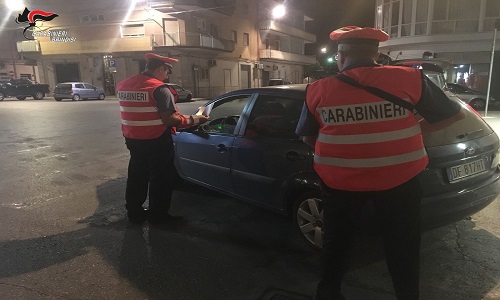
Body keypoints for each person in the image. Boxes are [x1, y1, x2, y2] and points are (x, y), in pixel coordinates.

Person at [295, 26, 465, 300]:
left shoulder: (318, 89)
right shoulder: (410, 78)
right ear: (376, 53)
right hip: (400, 181)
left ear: (341, 55)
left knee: (336, 244)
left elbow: (306, 137)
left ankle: (328, 294)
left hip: (340, 184)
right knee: (403, 245)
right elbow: (453, 115)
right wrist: (408, 133)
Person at [116, 53, 209, 226]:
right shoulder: (160, 89)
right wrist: (197, 119)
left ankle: (134, 212)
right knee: (161, 178)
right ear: (160, 68)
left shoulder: (123, 85)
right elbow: (170, 119)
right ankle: (158, 216)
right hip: (156, 140)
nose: (167, 76)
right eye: (167, 72)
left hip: (133, 140)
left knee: (137, 176)